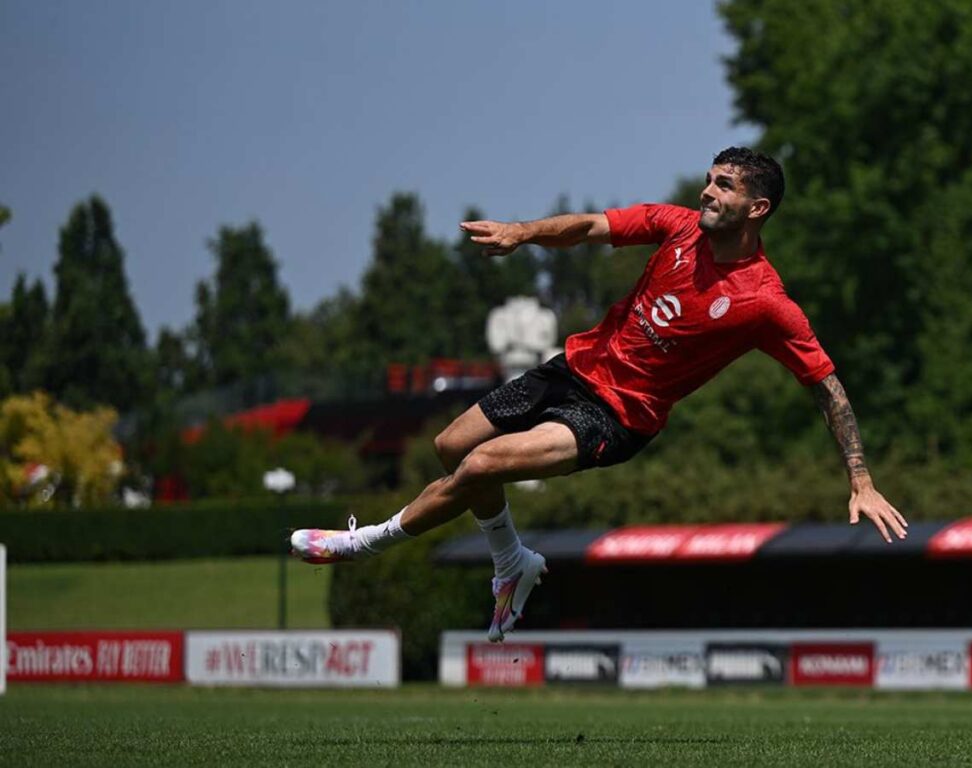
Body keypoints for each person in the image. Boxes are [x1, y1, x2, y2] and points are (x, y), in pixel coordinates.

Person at [291, 146, 907, 642]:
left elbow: (827, 387)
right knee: (452, 447)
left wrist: (860, 478)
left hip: (617, 416)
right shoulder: (676, 228)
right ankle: (512, 562)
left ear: (758, 207)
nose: (707, 193)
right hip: (573, 368)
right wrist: (522, 232)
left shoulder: (765, 302)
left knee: (483, 465)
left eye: (724, 186)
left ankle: (362, 543)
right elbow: (590, 226)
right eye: (709, 180)